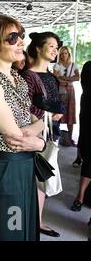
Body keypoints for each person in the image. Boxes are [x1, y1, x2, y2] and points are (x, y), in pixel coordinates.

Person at [0, 15, 45, 241]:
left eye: (20, 35)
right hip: (6, 168)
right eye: (12, 38)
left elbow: (36, 120)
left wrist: (38, 135)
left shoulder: (16, 78)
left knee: (21, 230)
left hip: (23, 167)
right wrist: (40, 137)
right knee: (8, 232)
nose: (20, 41)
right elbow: (17, 136)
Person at [21, 31, 65, 238]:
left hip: (50, 133)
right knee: (34, 178)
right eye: (51, 46)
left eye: (57, 47)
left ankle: (37, 221)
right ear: (38, 48)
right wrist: (44, 119)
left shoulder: (51, 76)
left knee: (43, 177)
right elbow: (22, 108)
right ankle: (29, 222)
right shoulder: (28, 76)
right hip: (35, 135)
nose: (55, 50)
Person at [71, 61, 91, 212]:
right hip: (89, 111)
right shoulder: (89, 66)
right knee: (89, 159)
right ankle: (80, 196)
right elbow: (86, 87)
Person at [53, 46, 80, 149]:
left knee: (70, 113)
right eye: (62, 53)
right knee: (59, 112)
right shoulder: (57, 65)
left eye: (66, 53)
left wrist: (64, 78)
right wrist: (68, 79)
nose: (64, 55)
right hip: (60, 90)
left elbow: (77, 77)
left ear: (69, 54)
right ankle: (56, 136)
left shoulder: (73, 65)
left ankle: (69, 137)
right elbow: (55, 77)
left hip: (70, 90)